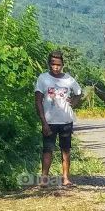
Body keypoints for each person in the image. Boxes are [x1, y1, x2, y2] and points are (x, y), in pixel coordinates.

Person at [34, 51, 83, 187]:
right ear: (49, 64)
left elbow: (79, 92)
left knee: (66, 150)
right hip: (49, 122)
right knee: (47, 150)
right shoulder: (43, 79)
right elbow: (38, 101)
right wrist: (43, 122)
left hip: (66, 120)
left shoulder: (69, 79)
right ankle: (44, 178)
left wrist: (74, 101)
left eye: (58, 65)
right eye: (53, 64)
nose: (56, 67)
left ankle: (66, 178)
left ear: (62, 65)